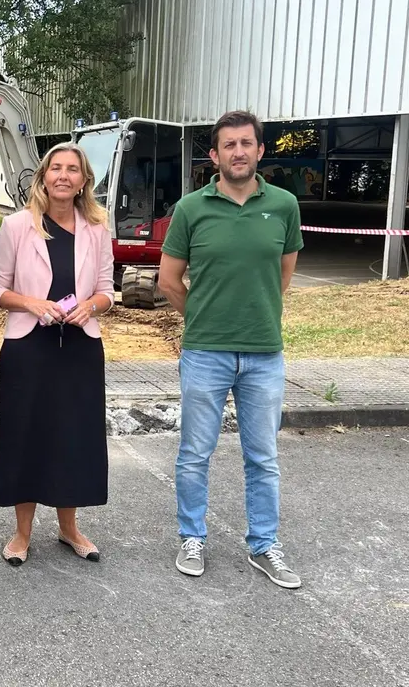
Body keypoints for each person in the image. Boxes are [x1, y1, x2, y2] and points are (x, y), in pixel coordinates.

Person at [158, 110, 304, 589]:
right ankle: (192, 536)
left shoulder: (283, 205)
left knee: (262, 456)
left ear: (260, 151)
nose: (238, 152)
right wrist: (203, 318)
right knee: (195, 453)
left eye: (247, 143)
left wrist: (252, 314)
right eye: (229, 145)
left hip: (264, 353)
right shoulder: (191, 209)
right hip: (205, 352)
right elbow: (168, 279)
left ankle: (264, 545)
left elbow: (282, 276)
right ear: (214, 154)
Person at [0, 142, 114, 566]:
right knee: (26, 435)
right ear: (43, 177)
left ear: (83, 181)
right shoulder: (18, 225)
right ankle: (22, 533)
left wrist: (90, 306)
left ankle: (69, 528)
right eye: (55, 168)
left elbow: (107, 291)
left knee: (74, 436)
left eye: (72, 170)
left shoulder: (97, 227)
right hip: (29, 347)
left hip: (80, 346)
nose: (63, 175)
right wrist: (31, 303)